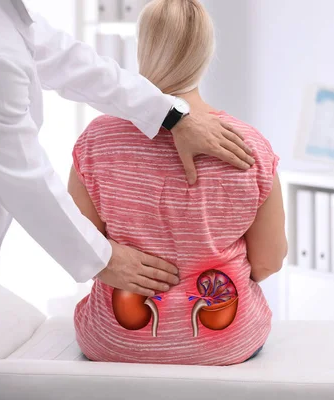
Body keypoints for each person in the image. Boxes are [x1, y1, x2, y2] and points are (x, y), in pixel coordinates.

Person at [0, 0, 256, 399]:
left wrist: (170, 114)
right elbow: (27, 183)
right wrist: (105, 258)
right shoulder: (254, 150)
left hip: (108, 338)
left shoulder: (96, 141)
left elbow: (67, 59)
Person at [71, 0, 287, 366]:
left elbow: (78, 243)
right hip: (227, 345)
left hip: (114, 345)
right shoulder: (248, 147)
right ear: (206, 53)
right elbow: (269, 261)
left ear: (142, 48)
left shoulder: (96, 140)